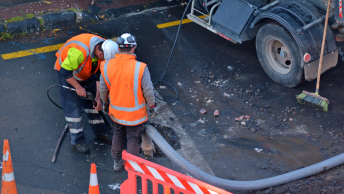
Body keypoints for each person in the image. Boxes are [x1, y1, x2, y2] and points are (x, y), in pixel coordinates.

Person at [99, 33, 156, 172]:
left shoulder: (106, 66)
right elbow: (148, 90)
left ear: (118, 48)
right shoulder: (140, 67)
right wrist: (152, 106)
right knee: (133, 139)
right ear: (134, 48)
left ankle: (117, 163)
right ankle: (133, 168)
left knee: (117, 135)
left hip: (116, 114)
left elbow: (103, 89)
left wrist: (105, 103)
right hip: (135, 116)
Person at [54, 33, 112, 154]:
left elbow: (99, 75)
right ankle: (78, 141)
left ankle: (101, 132)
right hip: (68, 74)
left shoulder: (106, 46)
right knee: (73, 108)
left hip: (87, 70)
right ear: (100, 54)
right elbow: (65, 71)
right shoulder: (79, 52)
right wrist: (78, 87)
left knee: (94, 104)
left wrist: (98, 97)